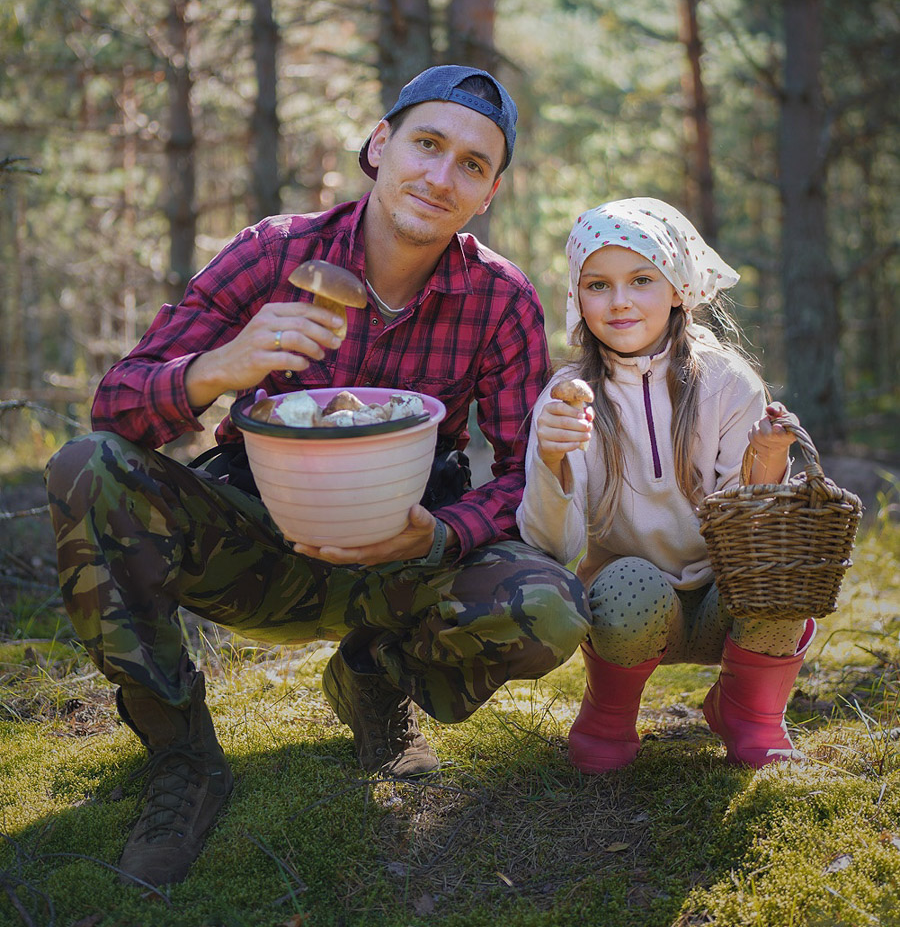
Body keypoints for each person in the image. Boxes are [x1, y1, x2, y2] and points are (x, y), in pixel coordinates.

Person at [45, 65, 591, 888]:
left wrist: (443, 532)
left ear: (489, 192)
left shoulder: (501, 299)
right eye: (428, 144)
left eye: (472, 165)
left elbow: (524, 476)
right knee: (88, 468)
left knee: (548, 609)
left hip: (401, 557)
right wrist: (220, 366)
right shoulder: (277, 251)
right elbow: (115, 407)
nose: (441, 176)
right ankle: (184, 761)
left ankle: (375, 679)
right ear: (381, 144)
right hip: (255, 545)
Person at [516, 197, 814, 775]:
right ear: (578, 298)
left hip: (724, 601)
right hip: (628, 608)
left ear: (678, 287)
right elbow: (553, 544)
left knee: (783, 571)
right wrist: (552, 460)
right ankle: (610, 710)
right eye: (598, 285)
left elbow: (750, 525)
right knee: (629, 578)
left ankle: (748, 711)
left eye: (641, 280)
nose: (620, 300)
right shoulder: (569, 393)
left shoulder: (727, 381)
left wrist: (769, 462)